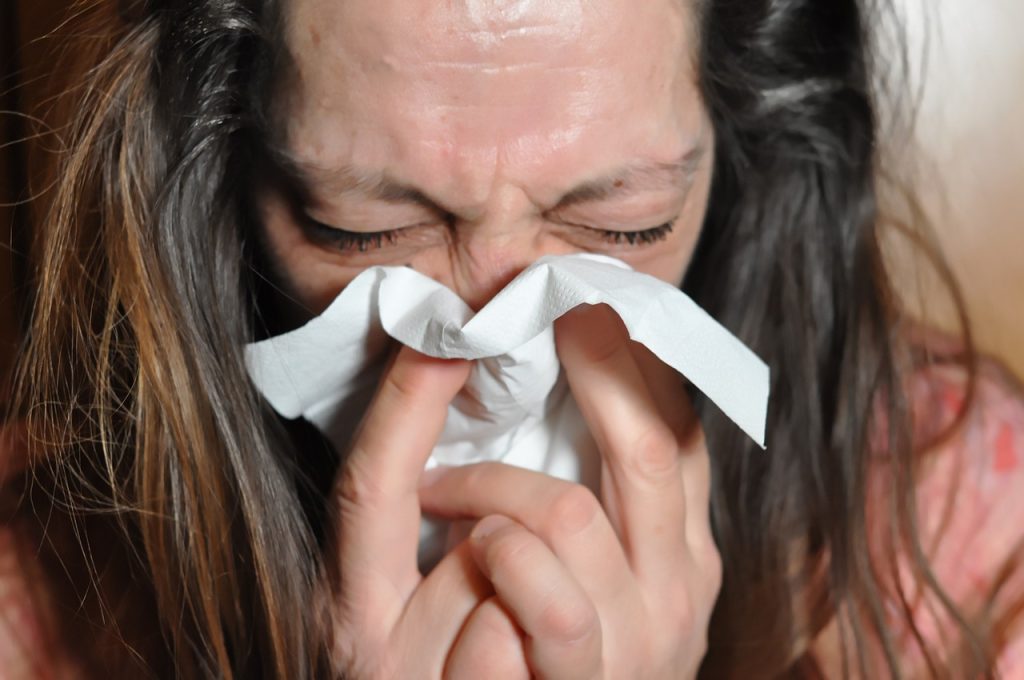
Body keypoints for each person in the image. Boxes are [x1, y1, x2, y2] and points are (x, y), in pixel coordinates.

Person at [1, 0, 1022, 677]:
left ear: (743, 152)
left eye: (622, 225)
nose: (496, 335)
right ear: (224, 182)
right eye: (362, 227)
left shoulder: (976, 539)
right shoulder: (40, 591)